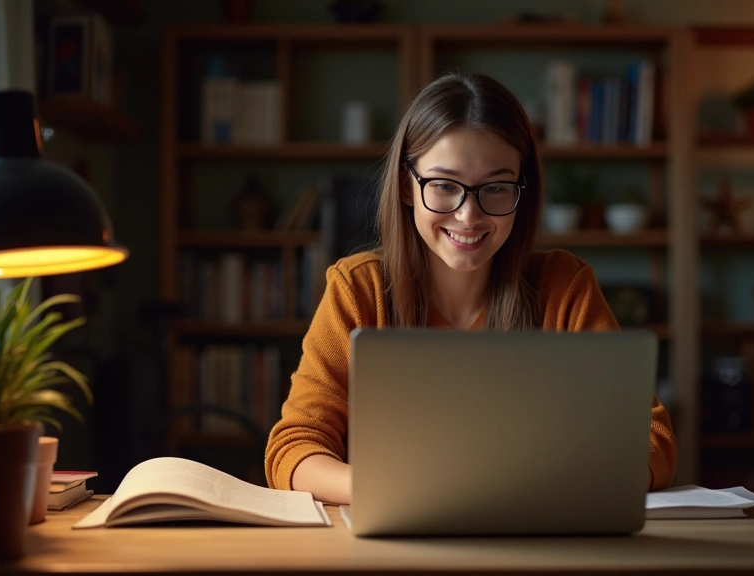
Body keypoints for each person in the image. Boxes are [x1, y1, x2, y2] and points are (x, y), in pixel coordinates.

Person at [265, 72, 676, 504]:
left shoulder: (563, 287)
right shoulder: (358, 289)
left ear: (524, 188)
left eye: (496, 188)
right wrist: (402, 490)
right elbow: (294, 449)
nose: (468, 216)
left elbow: (652, 440)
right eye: (444, 186)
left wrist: (535, 488)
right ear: (407, 186)